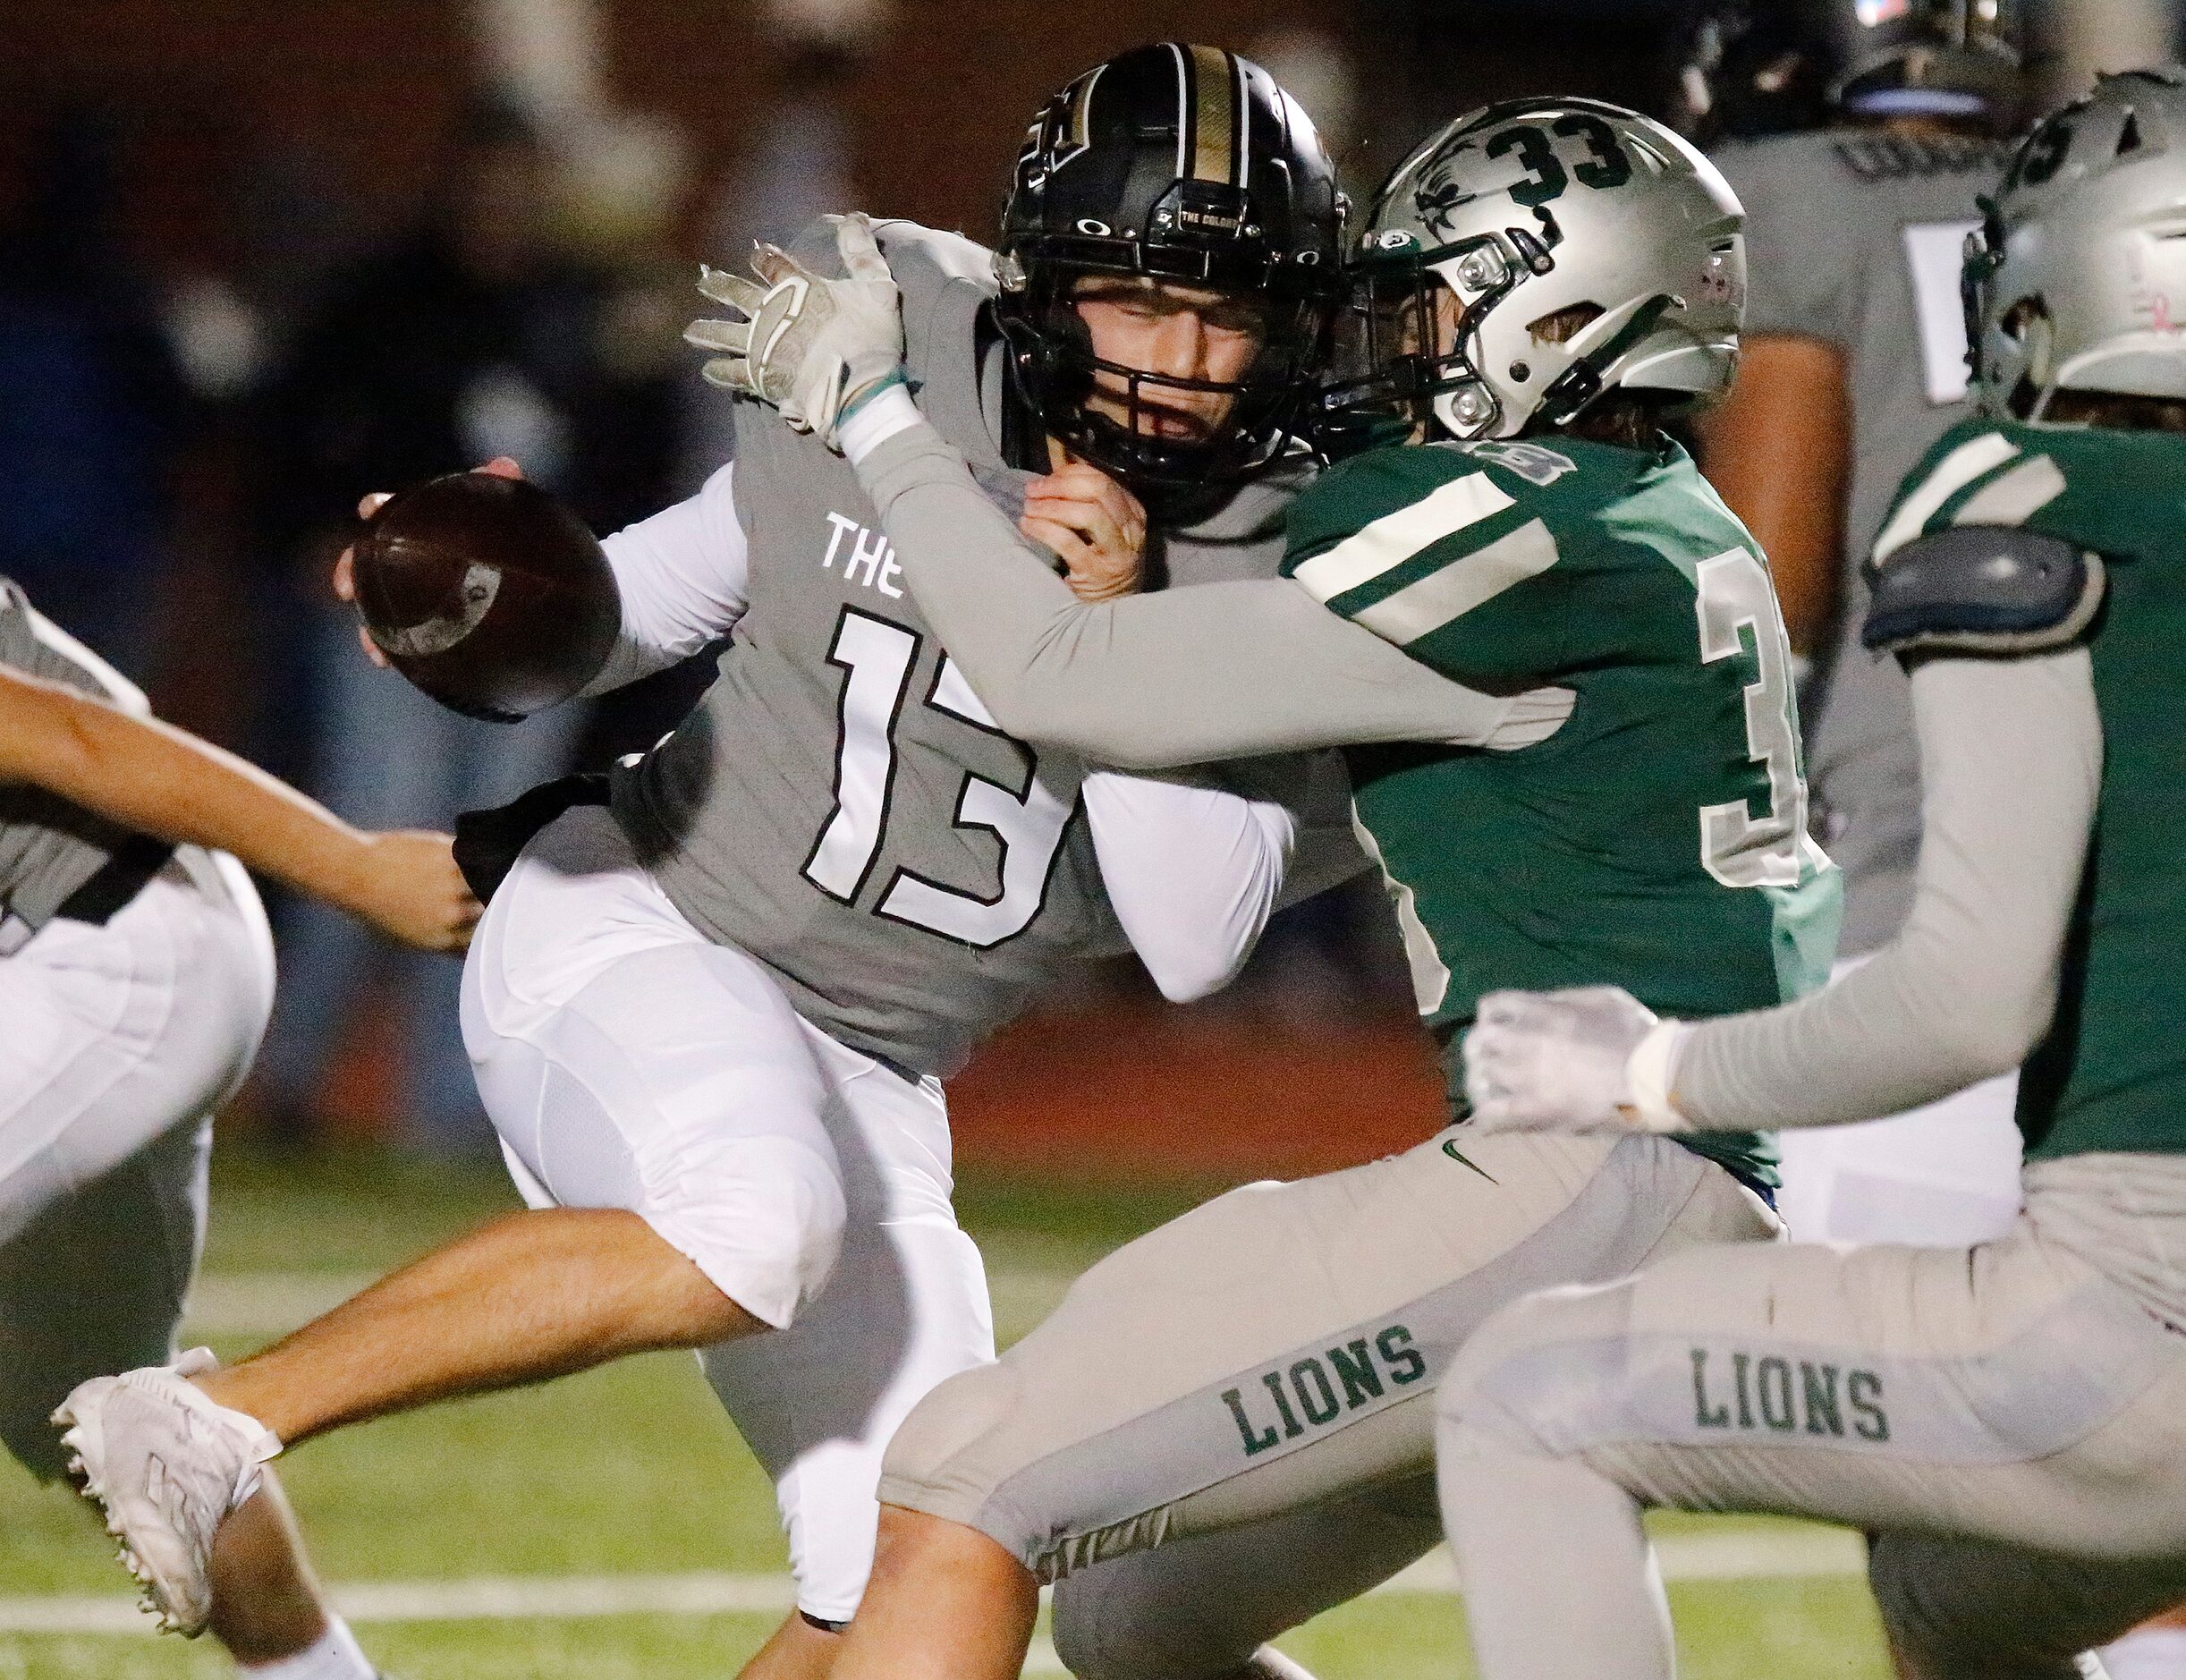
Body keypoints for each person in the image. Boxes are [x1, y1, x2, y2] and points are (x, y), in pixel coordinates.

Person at [60, 45, 1396, 1680]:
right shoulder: (892, 337)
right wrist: (488, 591)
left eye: (1231, 310)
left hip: (877, 1063)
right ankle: (206, 1418)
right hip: (642, 919)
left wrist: (1104, 635)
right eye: (1140, 298)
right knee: (754, 1218)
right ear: (1049, 288)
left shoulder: (1297, 535)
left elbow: (1193, 937)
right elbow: (659, 599)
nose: (1187, 360)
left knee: (931, 1562)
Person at [695, 95, 1839, 1680]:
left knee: (966, 1472)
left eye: (1432, 301)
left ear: (1558, 313)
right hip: (1675, 1190)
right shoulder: (1645, 523)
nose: (1392, 342)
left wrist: (883, 410)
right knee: (1143, 1620)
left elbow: (1049, 673)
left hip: (1589, 1184)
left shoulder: (1522, 529)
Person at [1441, 70, 2186, 1680]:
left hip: (2142, 1322)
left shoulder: (2022, 500)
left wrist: (1646, 1066)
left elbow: (1967, 995)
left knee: (1521, 1396)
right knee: (1948, 1586)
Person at [0, 574, 476, 1680]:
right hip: (92, 951)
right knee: (112, 1420)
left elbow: (70, 738)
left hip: (111, 950)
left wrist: (354, 867)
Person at [1694, 0, 2031, 1246]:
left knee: (1842, 1381)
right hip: (2105, 865)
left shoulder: (1786, 194)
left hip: (1893, 888)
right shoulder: (2078, 185)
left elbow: (1765, 590)